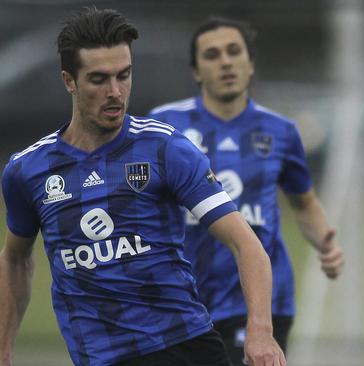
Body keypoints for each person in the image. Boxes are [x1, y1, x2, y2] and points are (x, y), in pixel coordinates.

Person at [0, 7, 286, 366]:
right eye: (99, 79)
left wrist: (260, 330)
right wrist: (3, 349)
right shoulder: (27, 171)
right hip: (100, 357)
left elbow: (246, 244)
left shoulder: (166, 149)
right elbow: (14, 260)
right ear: (68, 80)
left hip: (185, 347)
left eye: (124, 75)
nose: (116, 92)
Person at [147, 16, 344, 365]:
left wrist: (325, 243)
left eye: (234, 51)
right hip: (183, 298)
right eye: (212, 55)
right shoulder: (164, 127)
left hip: (259, 302)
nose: (225, 61)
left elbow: (304, 202)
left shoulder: (281, 131)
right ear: (195, 71)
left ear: (250, 64)